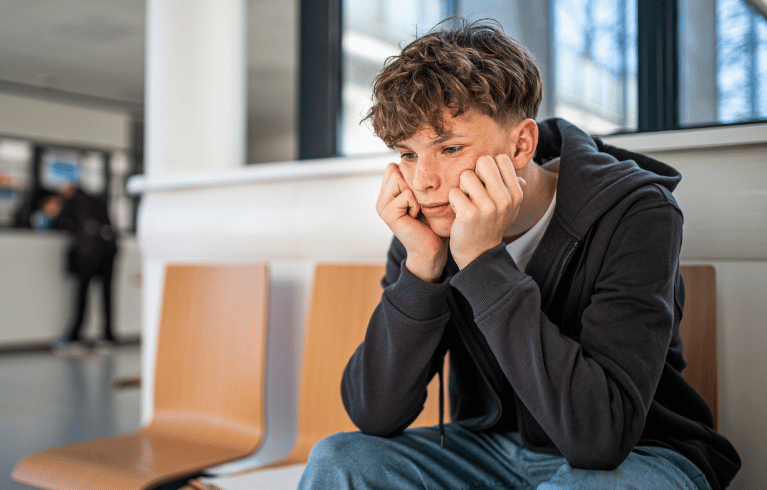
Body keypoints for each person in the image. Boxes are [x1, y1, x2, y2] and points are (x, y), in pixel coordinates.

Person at [297, 19, 740, 490]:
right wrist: (422, 271)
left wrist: (483, 263)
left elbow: (601, 438)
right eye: (408, 154)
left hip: (636, 456)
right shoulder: (431, 221)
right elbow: (375, 413)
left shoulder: (638, 212)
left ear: (521, 145)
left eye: (450, 148)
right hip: (489, 449)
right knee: (338, 459)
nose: (423, 181)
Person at [53, 183, 119, 354]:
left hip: (88, 252)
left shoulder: (72, 201)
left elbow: (59, 221)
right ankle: (108, 336)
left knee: (82, 294)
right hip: (109, 250)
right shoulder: (97, 199)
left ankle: (75, 335)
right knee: (107, 294)